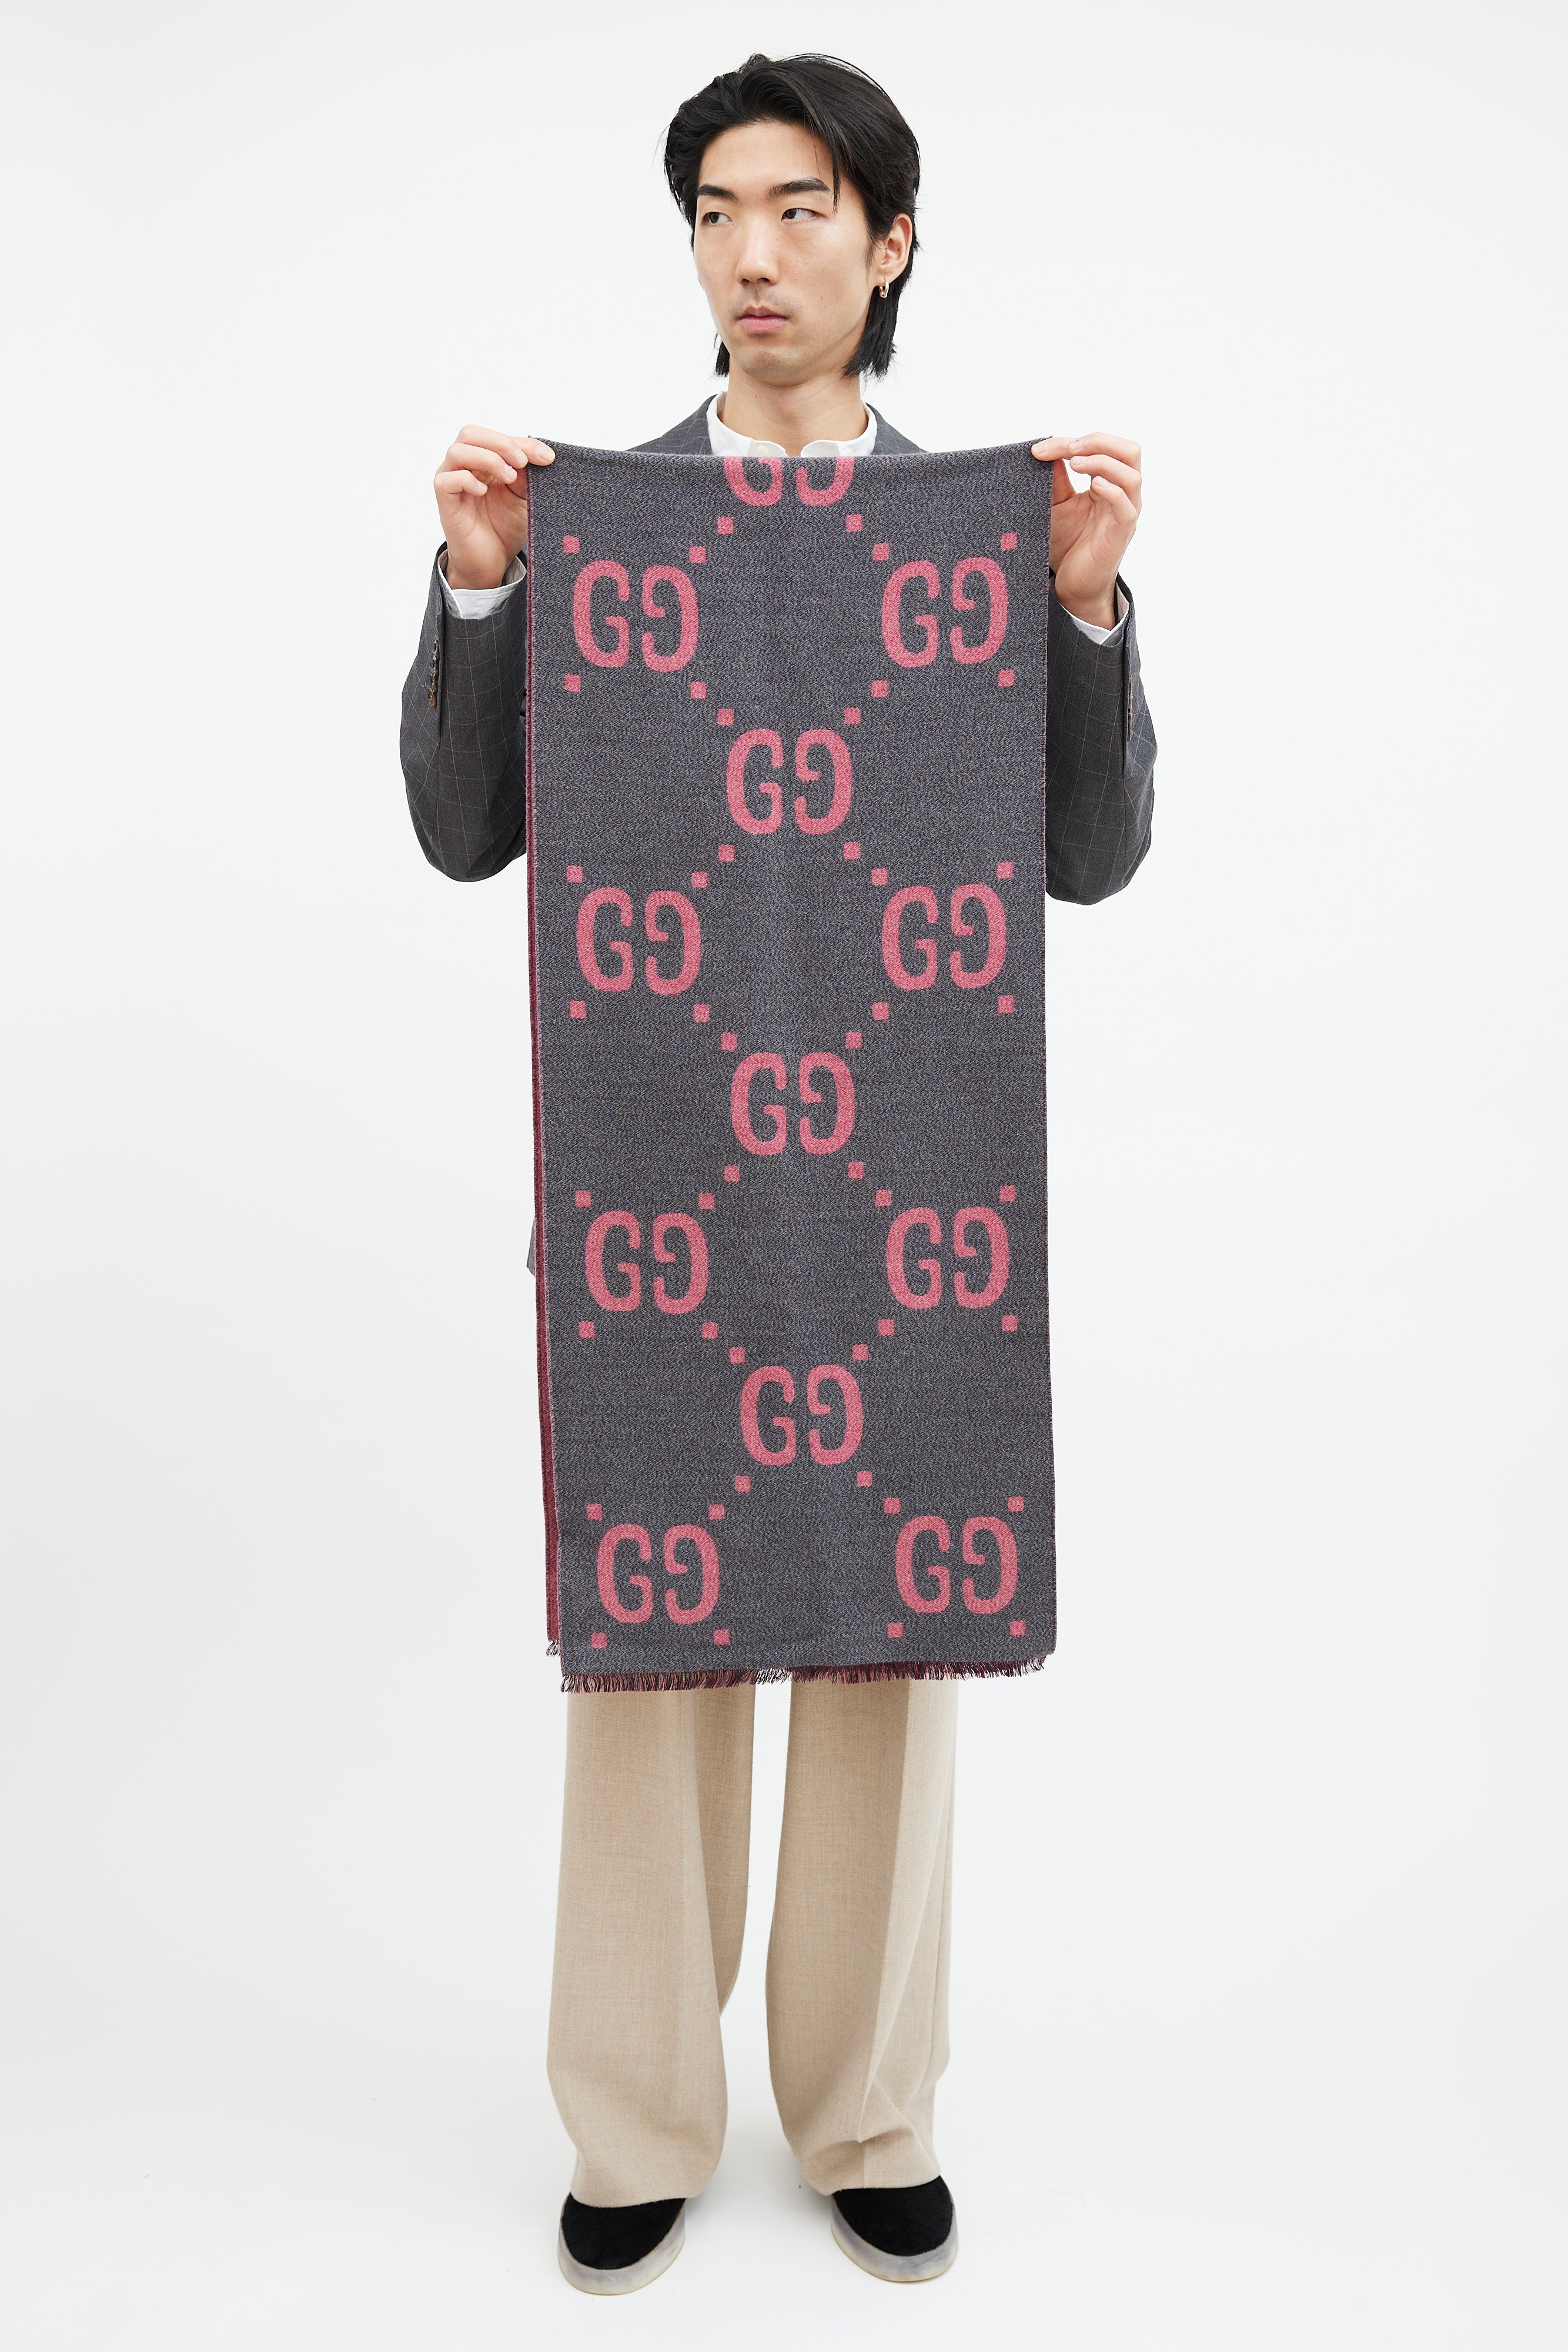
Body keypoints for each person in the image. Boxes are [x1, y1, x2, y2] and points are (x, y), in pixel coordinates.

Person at [400, 51, 1155, 2296]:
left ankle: (866, 2109)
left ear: (887, 241)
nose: (753, 252)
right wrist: (480, 589)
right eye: (718, 211)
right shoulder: (597, 516)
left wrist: (1081, 610)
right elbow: (462, 831)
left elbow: (1088, 856)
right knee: (650, 1638)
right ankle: (636, 2118)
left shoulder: (980, 534)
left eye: (802, 207)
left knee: (884, 1625)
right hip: (662, 1158)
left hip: (914, 1153)